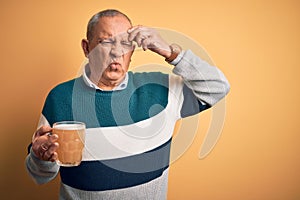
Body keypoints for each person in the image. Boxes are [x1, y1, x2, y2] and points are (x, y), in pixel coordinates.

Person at [25, 9, 230, 200]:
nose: (116, 53)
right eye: (106, 42)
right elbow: (40, 175)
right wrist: (39, 157)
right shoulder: (60, 97)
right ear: (87, 48)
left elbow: (218, 87)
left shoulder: (162, 89)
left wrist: (170, 52)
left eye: (125, 44)